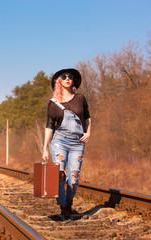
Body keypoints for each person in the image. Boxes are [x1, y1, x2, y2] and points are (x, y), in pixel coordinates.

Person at [42, 68, 91, 220]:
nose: (68, 78)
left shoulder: (80, 98)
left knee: (74, 178)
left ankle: (69, 202)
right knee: (59, 175)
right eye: (64, 76)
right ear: (59, 82)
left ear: (73, 81)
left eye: (70, 76)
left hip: (77, 142)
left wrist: (88, 133)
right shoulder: (53, 103)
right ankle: (63, 206)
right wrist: (44, 148)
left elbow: (88, 118)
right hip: (59, 141)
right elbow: (49, 126)